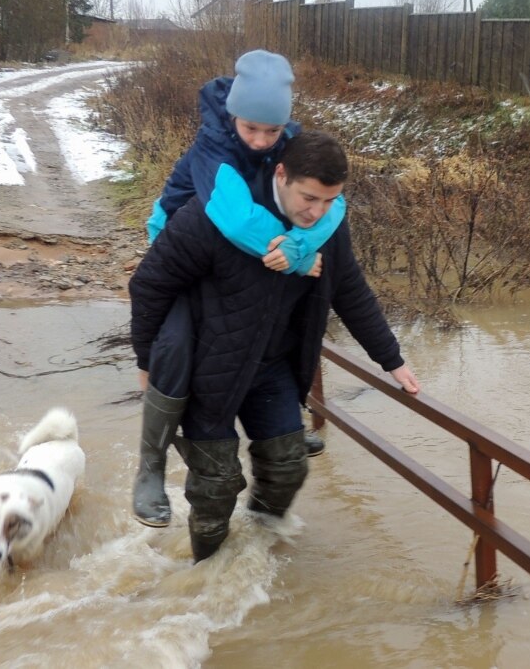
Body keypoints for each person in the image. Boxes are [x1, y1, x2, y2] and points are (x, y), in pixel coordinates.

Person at [129, 130, 420, 563]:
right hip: (209, 371)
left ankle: (258, 545)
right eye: (309, 198)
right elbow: (150, 283)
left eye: (329, 201)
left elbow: (351, 292)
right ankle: (206, 570)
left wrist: (391, 360)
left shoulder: (327, 227)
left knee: (288, 466)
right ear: (281, 175)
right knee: (215, 488)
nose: (318, 212)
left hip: (272, 368)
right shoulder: (215, 216)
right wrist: (148, 359)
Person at [132, 51, 336, 530]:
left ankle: (280, 430)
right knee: (177, 344)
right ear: (233, 116)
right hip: (183, 240)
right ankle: (150, 467)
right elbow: (233, 219)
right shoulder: (214, 147)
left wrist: (304, 242)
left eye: (272, 131)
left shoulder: (289, 140)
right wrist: (299, 254)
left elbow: (336, 199)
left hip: (243, 249)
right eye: (252, 129)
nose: (263, 142)